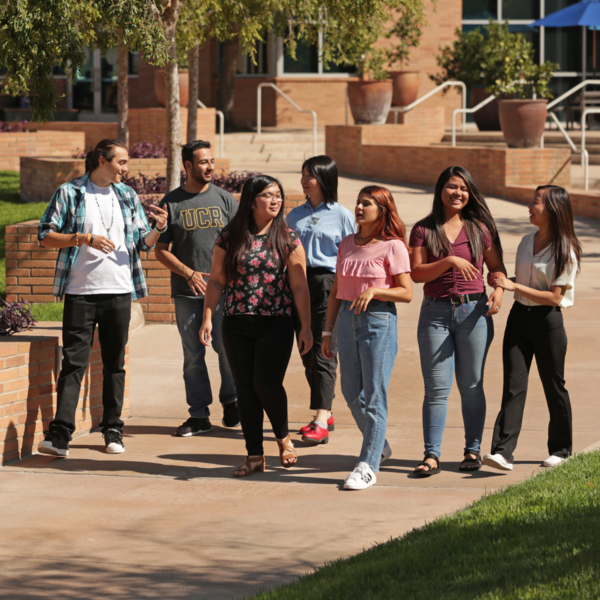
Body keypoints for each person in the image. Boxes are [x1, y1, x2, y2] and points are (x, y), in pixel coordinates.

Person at [37, 139, 168, 457]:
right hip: (81, 292)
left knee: (114, 364)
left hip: (120, 291)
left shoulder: (127, 195)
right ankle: (61, 435)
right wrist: (83, 238)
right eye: (121, 162)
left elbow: (142, 244)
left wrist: (158, 229)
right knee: (73, 364)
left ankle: (113, 430)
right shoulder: (70, 192)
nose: (126, 168)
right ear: (101, 160)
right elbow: (45, 236)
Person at [199, 175, 313, 477]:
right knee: (244, 388)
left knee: (266, 383)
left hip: (275, 322)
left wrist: (305, 327)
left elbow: (300, 287)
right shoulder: (230, 236)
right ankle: (254, 456)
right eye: (268, 195)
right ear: (251, 201)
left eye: (278, 195)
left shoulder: (288, 237)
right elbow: (216, 279)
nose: (275, 200)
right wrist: (208, 316)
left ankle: (283, 438)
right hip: (236, 322)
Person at [409, 166, 506, 477]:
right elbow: (416, 274)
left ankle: (472, 449)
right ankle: (431, 455)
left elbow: (497, 270)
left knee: (471, 385)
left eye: (463, 189)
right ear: (440, 190)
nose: (457, 193)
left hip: (473, 313)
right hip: (434, 313)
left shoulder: (480, 229)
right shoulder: (423, 229)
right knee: (436, 389)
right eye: (452, 187)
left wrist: (499, 291)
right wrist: (449, 260)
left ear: (470, 193)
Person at [483, 185, 581, 471]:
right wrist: (504, 282)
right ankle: (502, 452)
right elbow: (526, 281)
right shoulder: (527, 241)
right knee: (513, 385)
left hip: (548, 321)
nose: (530, 206)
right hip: (518, 318)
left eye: (535, 202)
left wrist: (513, 285)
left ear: (552, 208)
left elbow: (554, 296)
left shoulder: (566, 249)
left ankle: (561, 450)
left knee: (554, 385)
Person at [322, 185, 412, 490]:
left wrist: (375, 290)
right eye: (358, 203)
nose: (359, 208)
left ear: (382, 210)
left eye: (367, 204)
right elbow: (336, 289)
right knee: (350, 392)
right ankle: (380, 445)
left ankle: (368, 464)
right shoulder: (347, 243)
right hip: (347, 318)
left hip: (378, 319)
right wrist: (328, 330)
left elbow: (407, 292)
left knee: (375, 395)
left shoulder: (393, 246)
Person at [155, 140, 239, 437]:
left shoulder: (226, 200)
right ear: (187, 166)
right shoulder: (172, 202)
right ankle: (199, 415)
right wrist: (188, 273)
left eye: (211, 161)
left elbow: (243, 243)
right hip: (187, 294)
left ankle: (231, 400)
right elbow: (160, 250)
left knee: (227, 349)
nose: (209, 167)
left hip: (224, 292)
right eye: (203, 162)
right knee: (193, 355)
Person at [286, 156, 355, 444]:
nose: (304, 180)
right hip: (296, 285)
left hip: (327, 284)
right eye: (302, 175)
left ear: (325, 179)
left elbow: (352, 255)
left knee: (324, 350)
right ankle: (325, 411)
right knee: (306, 349)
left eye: (310, 176)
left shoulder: (342, 215)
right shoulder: (293, 215)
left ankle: (321, 417)